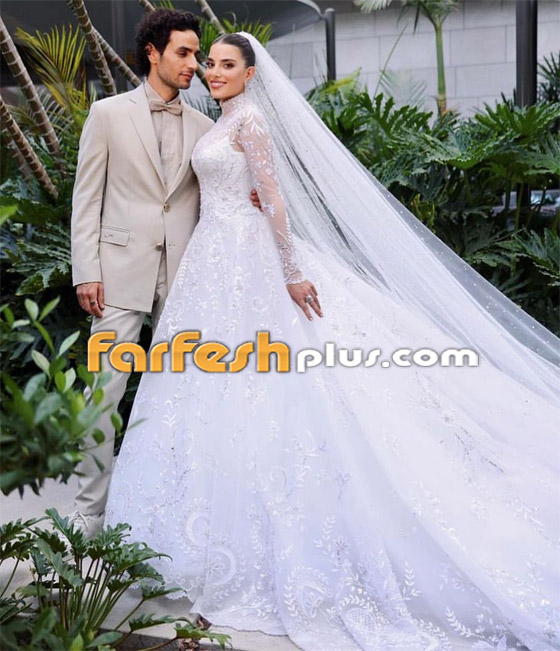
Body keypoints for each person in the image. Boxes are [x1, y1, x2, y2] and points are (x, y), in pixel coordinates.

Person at [104, 33, 560, 651]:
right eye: (209, 63)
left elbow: (274, 198)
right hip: (212, 262)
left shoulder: (250, 121)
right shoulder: (221, 121)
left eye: (227, 65)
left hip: (248, 259)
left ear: (251, 73)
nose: (213, 72)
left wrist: (291, 271)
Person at [70, 10, 259, 537]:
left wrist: (253, 200)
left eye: (198, 54)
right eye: (184, 52)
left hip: (187, 277)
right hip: (118, 274)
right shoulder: (107, 114)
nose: (195, 64)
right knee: (104, 393)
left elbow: (230, 184)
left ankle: (169, 516)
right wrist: (86, 271)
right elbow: (86, 199)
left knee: (185, 397)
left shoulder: (206, 127)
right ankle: (88, 515)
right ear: (152, 52)